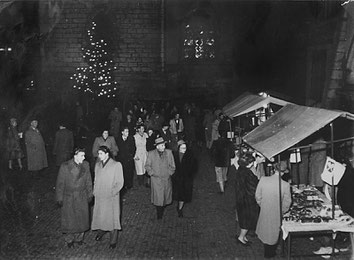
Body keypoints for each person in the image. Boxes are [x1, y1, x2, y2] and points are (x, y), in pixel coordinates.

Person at [55, 148, 93, 248]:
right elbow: (60, 183)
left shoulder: (86, 165)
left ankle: (79, 238)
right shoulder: (65, 166)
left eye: (84, 155)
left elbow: (89, 181)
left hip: (81, 195)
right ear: (75, 156)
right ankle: (69, 240)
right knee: (69, 220)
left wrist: (90, 194)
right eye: (82, 156)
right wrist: (59, 198)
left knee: (82, 219)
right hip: (69, 197)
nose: (84, 158)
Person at [255, 161, 292, 258]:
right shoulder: (285, 185)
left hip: (265, 209)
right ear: (283, 172)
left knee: (265, 229)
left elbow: (257, 196)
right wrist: (282, 211)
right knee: (273, 233)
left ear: (274, 169)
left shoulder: (263, 180)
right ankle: (269, 253)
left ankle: (267, 251)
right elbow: (287, 202)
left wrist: (263, 205)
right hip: (276, 213)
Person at [91, 146, 124, 249]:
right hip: (100, 196)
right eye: (98, 154)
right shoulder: (97, 165)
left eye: (101, 154)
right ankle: (101, 232)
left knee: (112, 219)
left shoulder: (116, 165)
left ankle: (113, 241)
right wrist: (95, 191)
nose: (99, 156)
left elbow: (120, 182)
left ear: (107, 154)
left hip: (111, 197)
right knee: (101, 216)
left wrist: (112, 192)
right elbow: (95, 180)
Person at [145, 137, 176, 219]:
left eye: (164, 145)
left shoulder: (169, 153)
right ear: (157, 146)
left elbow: (173, 166)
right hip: (156, 180)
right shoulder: (151, 154)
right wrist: (152, 173)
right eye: (162, 145)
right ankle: (159, 213)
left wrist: (169, 173)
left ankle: (162, 208)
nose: (164, 147)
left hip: (166, 179)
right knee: (158, 199)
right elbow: (147, 166)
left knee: (165, 198)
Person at [235, 153, 259, 246]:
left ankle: (244, 237)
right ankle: (241, 237)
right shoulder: (247, 173)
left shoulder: (240, 170)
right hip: (247, 200)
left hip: (241, 198)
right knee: (247, 219)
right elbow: (252, 188)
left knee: (244, 218)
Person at [172, 140, 197, 218]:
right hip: (176, 178)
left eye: (185, 148)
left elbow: (194, 167)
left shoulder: (190, 156)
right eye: (182, 148)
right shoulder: (174, 155)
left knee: (182, 195)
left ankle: (180, 209)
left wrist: (190, 175)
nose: (184, 150)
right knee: (177, 193)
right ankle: (179, 205)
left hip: (186, 179)